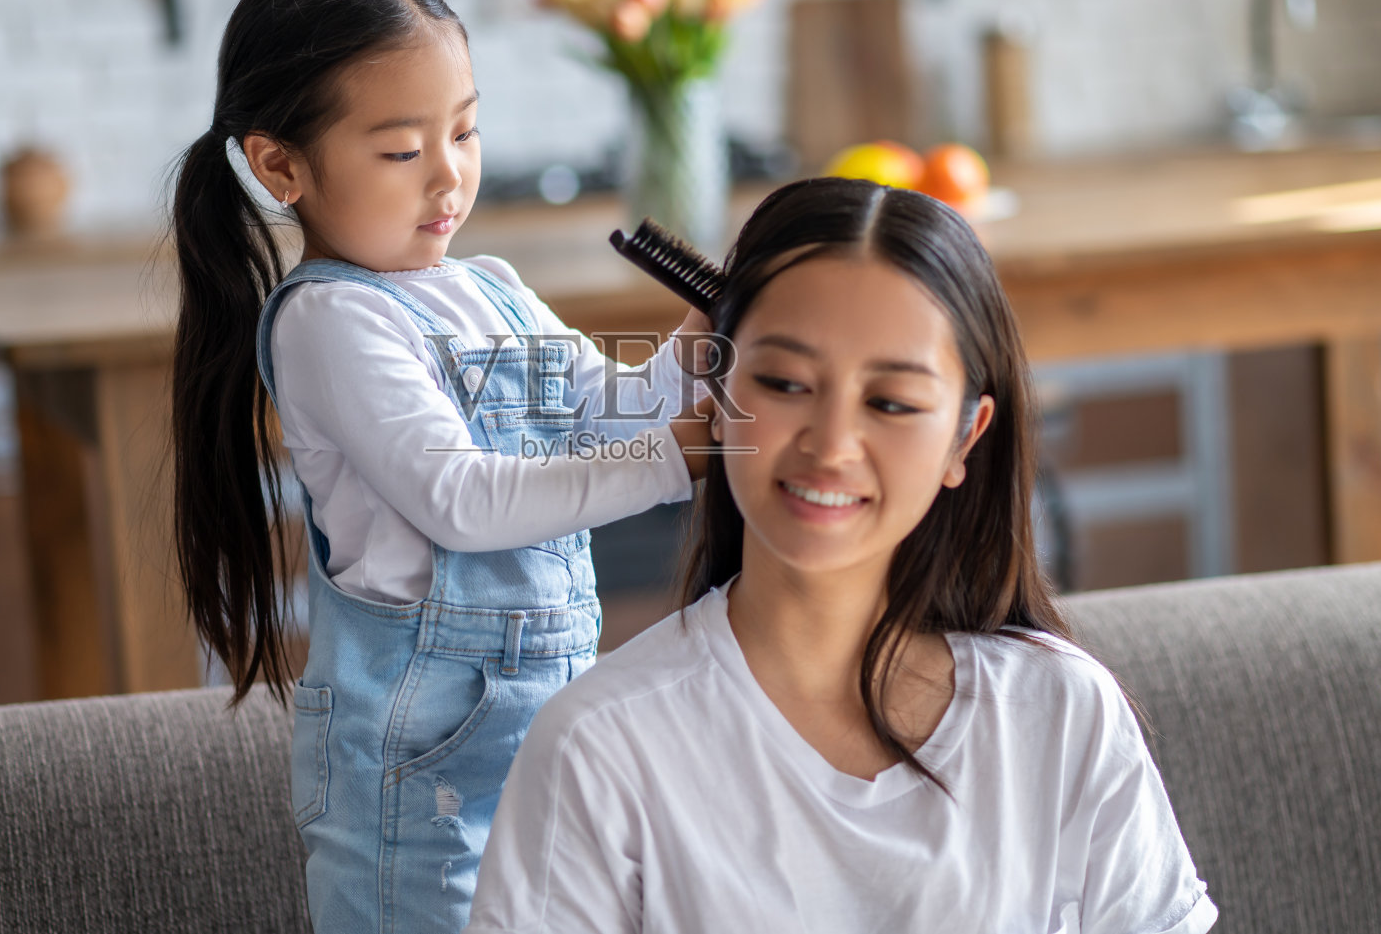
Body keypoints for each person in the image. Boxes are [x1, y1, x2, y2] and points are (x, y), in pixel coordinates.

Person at [464, 177, 1219, 934]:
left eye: (889, 402)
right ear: (719, 395)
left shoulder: (1059, 712)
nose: (830, 445)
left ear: (964, 437)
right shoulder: (598, 748)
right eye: (785, 383)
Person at [167, 0, 713, 934]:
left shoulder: (491, 288)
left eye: (463, 131)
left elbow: (614, 407)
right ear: (280, 165)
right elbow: (462, 501)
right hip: (417, 784)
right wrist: (668, 460)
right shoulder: (330, 320)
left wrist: (700, 341)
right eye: (399, 151)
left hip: (546, 744)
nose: (449, 174)